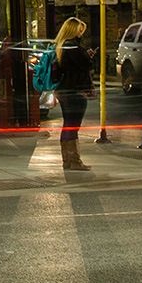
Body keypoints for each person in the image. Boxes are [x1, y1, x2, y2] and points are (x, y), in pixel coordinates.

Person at [52, 17, 93, 173]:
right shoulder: (73, 47)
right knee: (73, 125)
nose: (81, 34)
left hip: (63, 90)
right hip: (74, 90)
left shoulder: (61, 46)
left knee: (68, 124)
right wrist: (88, 55)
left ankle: (67, 160)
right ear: (74, 30)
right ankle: (74, 160)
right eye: (80, 30)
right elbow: (86, 65)